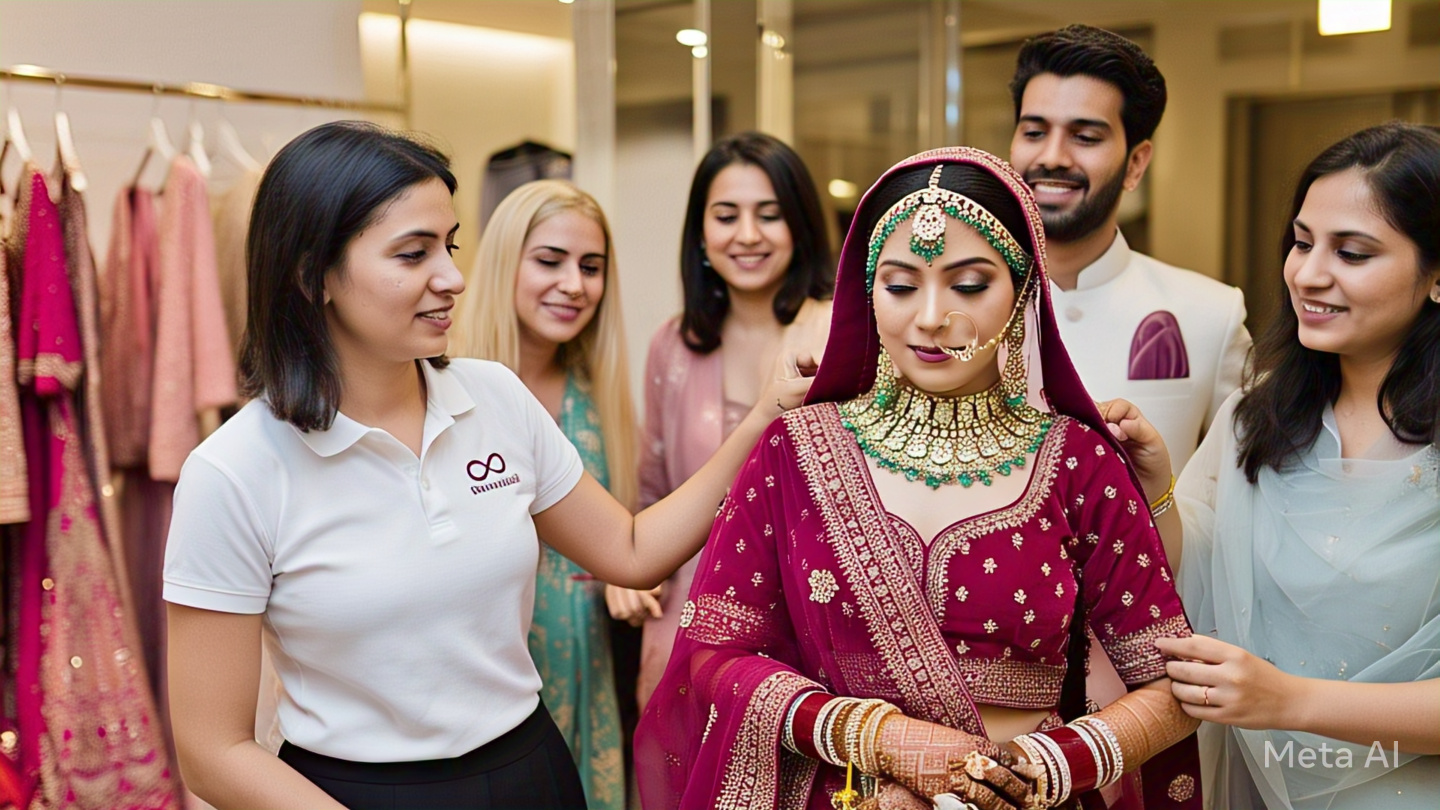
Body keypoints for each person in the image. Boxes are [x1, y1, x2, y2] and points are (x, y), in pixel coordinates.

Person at [161, 121, 812, 810]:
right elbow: (212, 751)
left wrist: (764, 416)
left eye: (450, 245)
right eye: (413, 255)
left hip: (530, 769)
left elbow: (630, 549)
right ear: (310, 274)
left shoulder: (494, 397)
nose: (454, 278)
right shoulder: (236, 471)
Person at [636, 146, 1204, 810]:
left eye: (968, 285)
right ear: (866, 291)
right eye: (901, 285)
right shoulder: (795, 452)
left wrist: (1047, 766)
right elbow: (715, 656)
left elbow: (1175, 686)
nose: (930, 317)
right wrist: (879, 738)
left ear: (1024, 290)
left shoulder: (1079, 461)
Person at [1103, 123, 1440, 808]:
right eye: (1302, 241)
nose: (1309, 274)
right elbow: (1191, 578)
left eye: (1353, 252)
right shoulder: (1257, 419)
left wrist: (1287, 700)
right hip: (1260, 787)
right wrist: (1155, 490)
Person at [610, 131, 835, 710]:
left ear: (801, 226)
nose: (747, 235)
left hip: (810, 626)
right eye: (726, 215)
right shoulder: (674, 344)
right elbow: (653, 490)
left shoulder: (838, 332)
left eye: (770, 215)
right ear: (701, 234)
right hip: (688, 617)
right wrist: (628, 570)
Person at [456, 179, 636, 810]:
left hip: (588, 658)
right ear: (506, 260)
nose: (575, 285)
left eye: (591, 267)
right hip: (490, 662)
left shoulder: (596, 389)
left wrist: (629, 577)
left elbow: (622, 530)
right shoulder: (445, 388)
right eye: (550, 260)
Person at [1008, 24, 1250, 473]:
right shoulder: (949, 309)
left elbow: (1235, 498)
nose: (1054, 157)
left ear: (1135, 163)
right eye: (1035, 132)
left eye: (1085, 137)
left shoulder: (1212, 314)